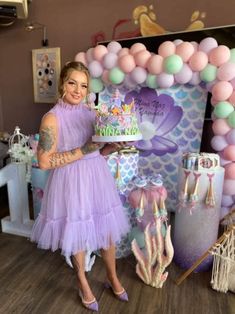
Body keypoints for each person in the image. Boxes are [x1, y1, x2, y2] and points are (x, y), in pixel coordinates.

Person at [31, 61, 130, 312]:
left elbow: (98, 151)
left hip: (97, 177)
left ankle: (112, 276)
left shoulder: (91, 113)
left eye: (83, 85)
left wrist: (112, 147)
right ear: (63, 84)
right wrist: (84, 150)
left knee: (107, 230)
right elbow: (44, 161)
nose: (78, 90)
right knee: (77, 234)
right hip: (70, 182)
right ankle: (82, 282)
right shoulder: (52, 118)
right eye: (72, 83)